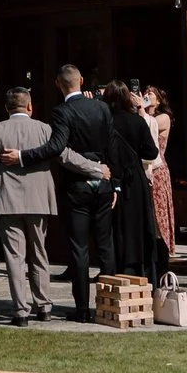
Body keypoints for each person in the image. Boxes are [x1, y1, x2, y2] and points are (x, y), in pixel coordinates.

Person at [0, 87, 67, 326]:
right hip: (39, 201)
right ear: (30, 106)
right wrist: (96, 168)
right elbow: (65, 155)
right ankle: (44, 306)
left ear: (6, 108)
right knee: (39, 253)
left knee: (14, 257)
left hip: (9, 201)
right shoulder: (44, 129)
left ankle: (21, 311)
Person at [48, 64, 119, 320]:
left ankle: (81, 309)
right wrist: (115, 183)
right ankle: (110, 305)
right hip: (103, 182)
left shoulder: (61, 112)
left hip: (76, 185)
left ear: (58, 84)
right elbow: (112, 147)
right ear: (81, 80)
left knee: (79, 249)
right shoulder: (101, 108)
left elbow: (59, 148)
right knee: (105, 245)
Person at [105, 83, 160, 280]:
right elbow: (152, 152)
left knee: (118, 228)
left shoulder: (106, 122)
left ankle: (118, 272)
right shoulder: (137, 121)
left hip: (113, 178)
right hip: (135, 180)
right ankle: (142, 273)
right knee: (139, 226)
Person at [142, 84, 178, 272]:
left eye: (151, 94)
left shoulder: (162, 118)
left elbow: (150, 126)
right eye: (145, 92)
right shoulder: (142, 116)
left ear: (159, 99)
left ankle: (162, 264)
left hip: (158, 171)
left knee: (159, 217)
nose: (147, 95)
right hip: (144, 171)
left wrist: (141, 110)